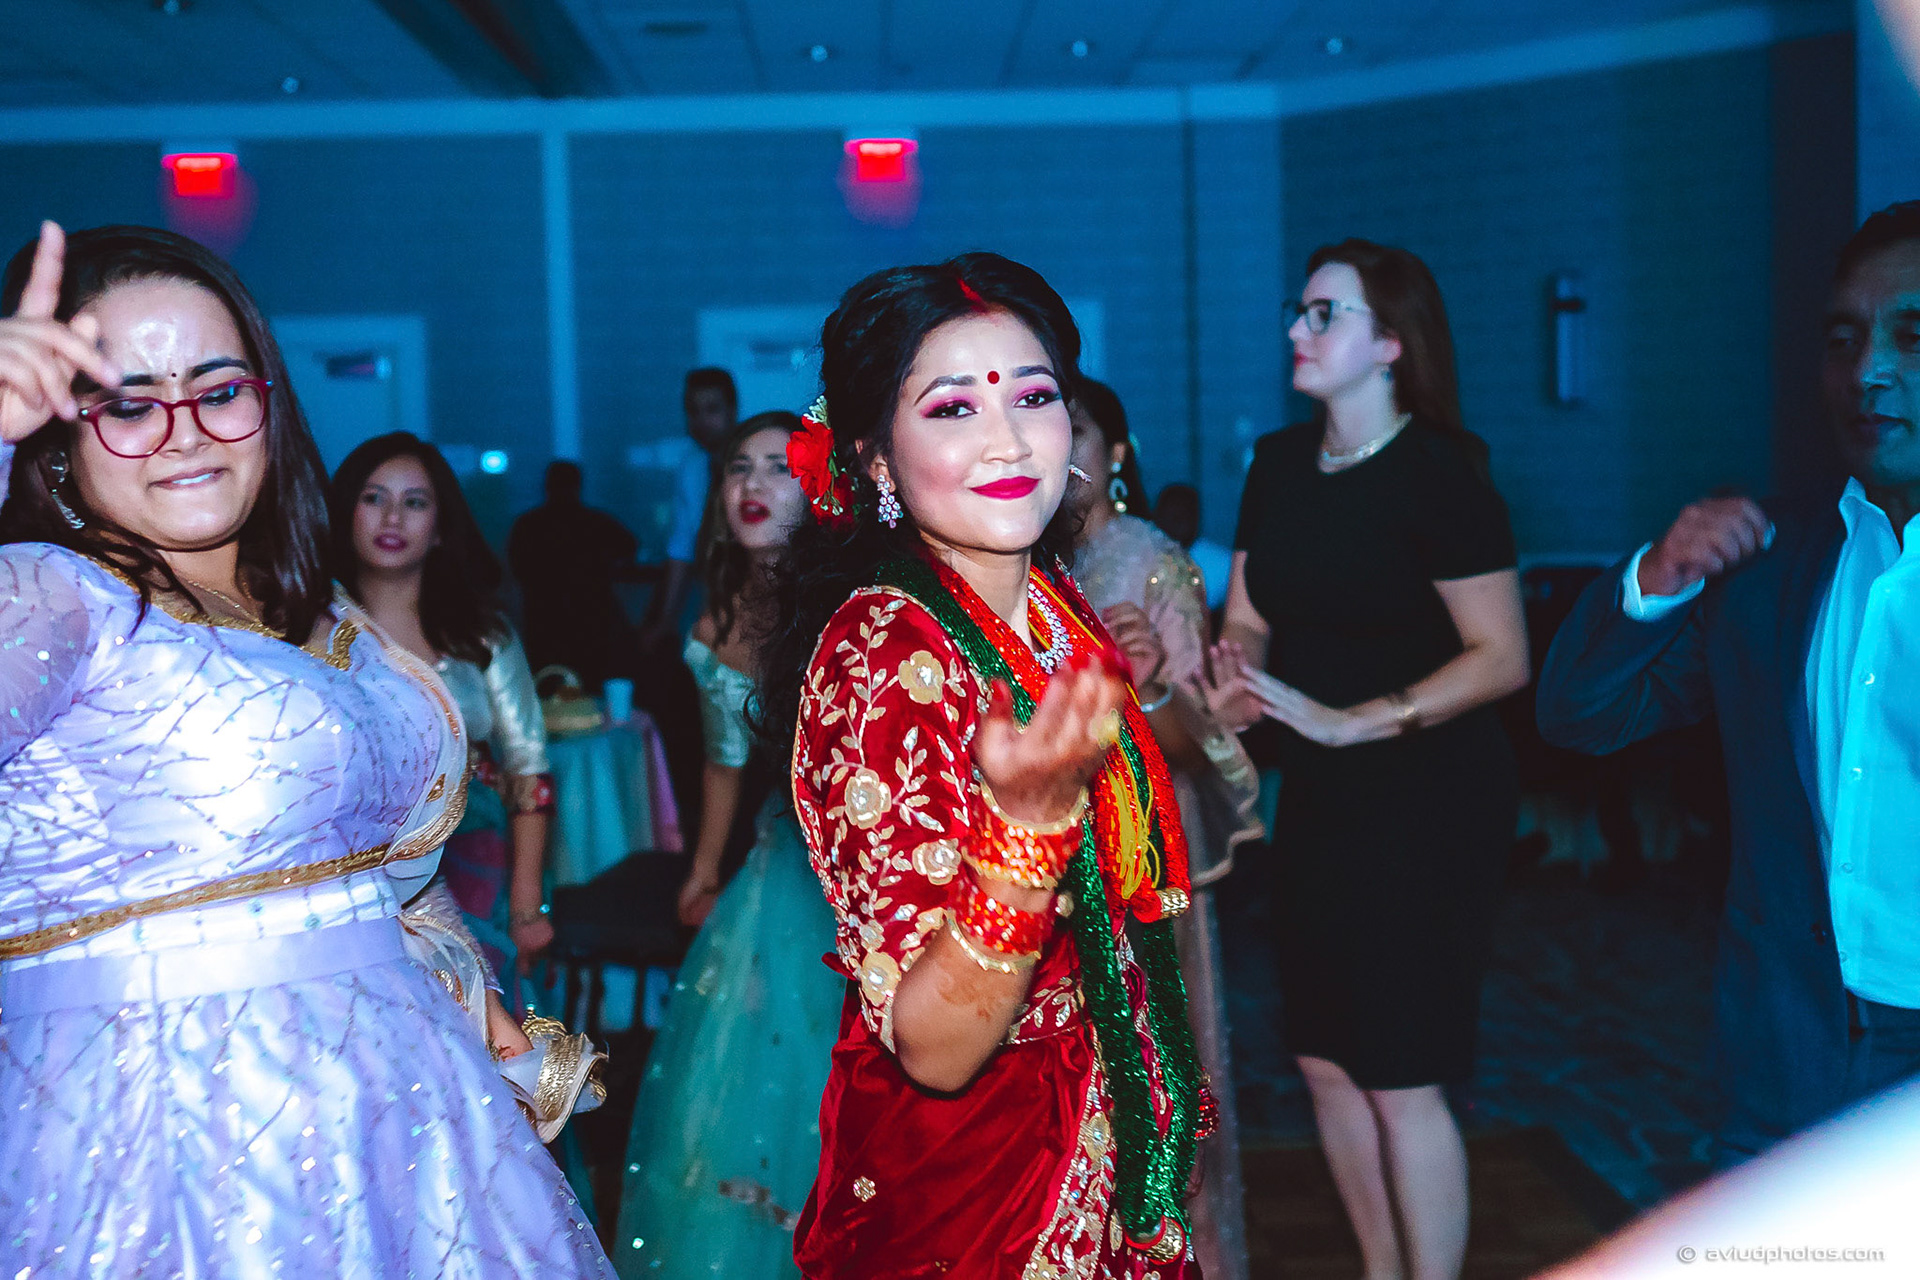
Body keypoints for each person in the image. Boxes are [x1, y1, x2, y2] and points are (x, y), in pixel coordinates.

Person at [0, 221, 613, 1276]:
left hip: (415, 1122)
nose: (186, 433)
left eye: (219, 390)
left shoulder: (320, 613)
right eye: (131, 405)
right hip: (173, 1134)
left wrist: (488, 1020)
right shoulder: (54, 595)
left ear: (268, 405)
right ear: (59, 438)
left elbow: (379, 873)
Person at [762, 251, 1212, 1278]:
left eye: (1035, 397)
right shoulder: (888, 652)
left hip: (1094, 1103)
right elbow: (934, 1046)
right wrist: (1028, 832)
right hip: (975, 1172)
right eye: (953, 407)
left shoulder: (1052, 607)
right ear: (877, 459)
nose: (1008, 438)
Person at [1536, 200, 1920, 1165]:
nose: (1869, 371)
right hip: (1788, 1052)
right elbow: (1580, 714)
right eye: (1844, 339)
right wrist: (1658, 577)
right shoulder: (1768, 563)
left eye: (1913, 336)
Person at [1212, 239, 1529, 1280]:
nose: (1297, 331)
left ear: (1390, 343)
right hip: (1324, 797)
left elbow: (1502, 655)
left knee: (1400, 1072)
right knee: (1325, 1062)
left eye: (1324, 314)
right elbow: (1249, 615)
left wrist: (1361, 719)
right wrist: (1236, 672)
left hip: (1429, 797)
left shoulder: (1442, 474)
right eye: (1298, 312)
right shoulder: (1276, 465)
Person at [615, 410, 842, 1278]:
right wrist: (704, 872)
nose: (753, 484)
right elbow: (723, 761)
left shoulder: (851, 601)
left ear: (818, 487)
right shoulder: (715, 617)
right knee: (747, 1080)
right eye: (739, 467)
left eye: (779, 467)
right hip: (776, 862)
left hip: (861, 869)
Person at [1069, 377, 1263, 1280]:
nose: (1056, 446)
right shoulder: (1028, 559)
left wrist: (1144, 687)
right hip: (1053, 845)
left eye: (1075, 427)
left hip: (1140, 840)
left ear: (1116, 453)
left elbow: (1199, 734)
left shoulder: (1153, 561)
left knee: (1153, 1072)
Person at [330, 432, 556, 1014]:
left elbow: (529, 770)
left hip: (474, 863)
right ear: (345, 511)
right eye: (374, 498)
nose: (392, 518)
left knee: (481, 1028)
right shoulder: (309, 632)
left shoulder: (483, 637)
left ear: (439, 527)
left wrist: (527, 907)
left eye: (415, 502)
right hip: (346, 869)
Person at [507, 458, 642, 686]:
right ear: (578, 486)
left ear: (546, 486)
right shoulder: (596, 523)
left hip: (546, 622)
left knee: (549, 686)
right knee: (590, 687)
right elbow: (630, 546)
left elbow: (515, 570)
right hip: (589, 622)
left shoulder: (528, 525)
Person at [640, 366, 738, 650]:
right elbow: (682, 548)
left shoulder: (753, 465)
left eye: (712, 409)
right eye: (694, 411)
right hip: (710, 603)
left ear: (732, 410)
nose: (702, 420)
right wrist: (665, 621)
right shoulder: (691, 468)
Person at [1153, 481, 1232, 614]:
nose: (1178, 520)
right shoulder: (1136, 558)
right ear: (1157, 515)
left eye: (1185, 513)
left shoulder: (1224, 565)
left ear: (1197, 516)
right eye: (1172, 513)